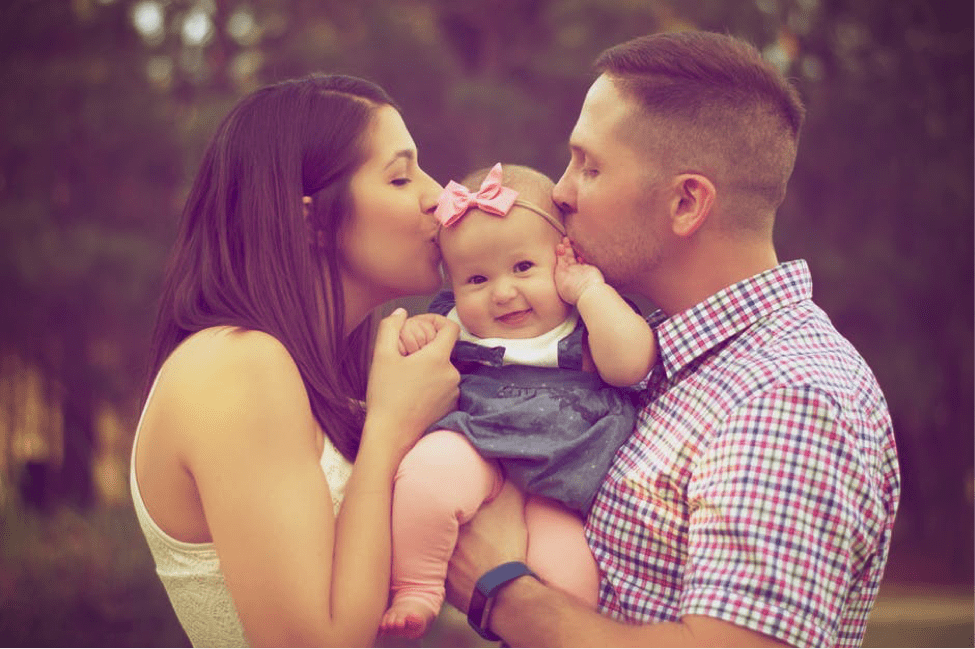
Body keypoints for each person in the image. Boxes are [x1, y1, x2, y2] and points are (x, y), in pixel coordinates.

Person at [445, 30, 901, 648]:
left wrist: (503, 591)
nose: (560, 191)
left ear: (686, 202)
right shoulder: (650, 352)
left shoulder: (790, 395)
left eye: (590, 165)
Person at [129, 74, 461, 648]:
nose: (438, 195)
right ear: (312, 220)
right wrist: (388, 429)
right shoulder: (236, 365)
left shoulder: (325, 374)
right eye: (401, 177)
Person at [378, 163, 656, 638]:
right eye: (476, 280)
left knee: (571, 582)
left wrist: (589, 290)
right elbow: (422, 367)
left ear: (567, 257)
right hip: (479, 444)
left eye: (524, 267)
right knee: (425, 480)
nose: (503, 293)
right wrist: (417, 334)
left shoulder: (587, 316)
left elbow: (632, 364)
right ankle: (418, 587)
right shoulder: (454, 324)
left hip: (563, 483)